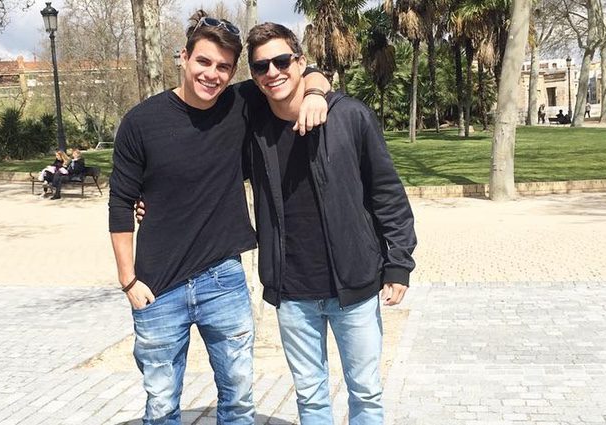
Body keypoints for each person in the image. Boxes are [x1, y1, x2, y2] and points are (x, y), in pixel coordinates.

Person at [108, 11, 330, 425]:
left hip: (222, 281)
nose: (212, 74)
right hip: (156, 286)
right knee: (160, 405)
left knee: (239, 398)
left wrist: (317, 94)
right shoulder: (141, 121)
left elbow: (300, 72)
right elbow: (120, 203)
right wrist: (127, 280)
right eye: (204, 62)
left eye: (224, 67)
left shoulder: (239, 103)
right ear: (184, 57)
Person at [244, 23, 417, 424]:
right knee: (310, 396)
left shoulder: (351, 116)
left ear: (301, 62)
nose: (273, 72)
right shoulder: (251, 128)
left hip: (353, 285)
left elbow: (387, 193)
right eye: (261, 66)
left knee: (366, 393)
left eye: (282, 61)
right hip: (291, 290)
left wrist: (399, 264)